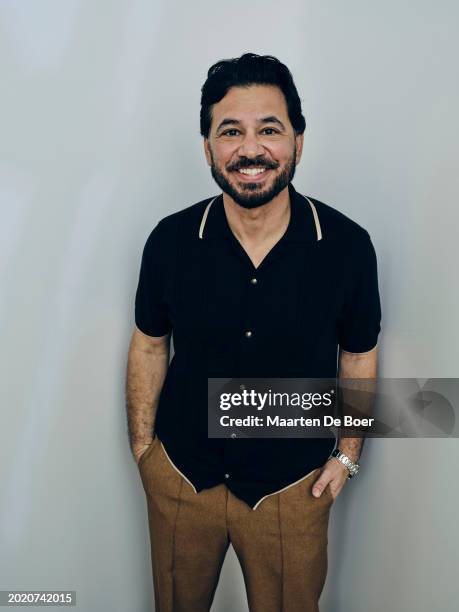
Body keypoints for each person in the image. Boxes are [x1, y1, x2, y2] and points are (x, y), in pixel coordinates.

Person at [126, 53, 381, 612]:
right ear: (208, 148)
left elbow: (359, 355)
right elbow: (149, 344)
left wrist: (348, 454)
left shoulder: (346, 246)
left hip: (292, 484)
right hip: (182, 477)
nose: (250, 149)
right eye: (230, 131)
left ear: (298, 141)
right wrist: (145, 451)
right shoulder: (169, 241)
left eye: (270, 129)